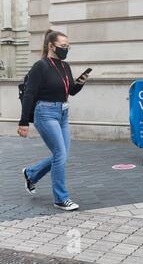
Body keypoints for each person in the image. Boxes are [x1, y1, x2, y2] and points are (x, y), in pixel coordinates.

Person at [17, 29, 89, 211]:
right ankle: (60, 198)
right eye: (63, 46)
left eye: (68, 46)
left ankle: (31, 174)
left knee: (61, 154)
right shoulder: (40, 66)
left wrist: (80, 82)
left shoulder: (65, 66)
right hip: (45, 112)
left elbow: (70, 91)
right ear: (51, 46)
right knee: (60, 154)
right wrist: (23, 121)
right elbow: (29, 94)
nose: (66, 49)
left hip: (63, 113)